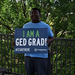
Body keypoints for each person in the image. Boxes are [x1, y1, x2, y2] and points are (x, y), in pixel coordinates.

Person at [23, 8, 54, 75]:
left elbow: (52, 37)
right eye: (32, 13)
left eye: (35, 13)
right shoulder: (25, 26)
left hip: (41, 56)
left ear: (39, 15)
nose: (33, 14)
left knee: (41, 73)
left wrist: (49, 41)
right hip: (28, 55)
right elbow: (23, 38)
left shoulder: (46, 26)